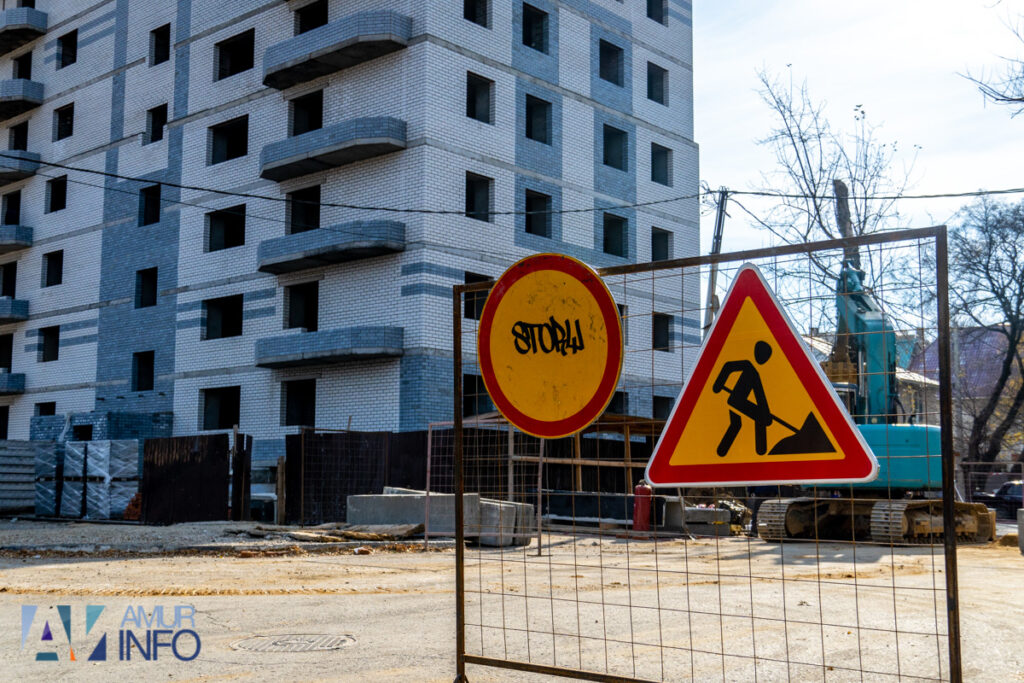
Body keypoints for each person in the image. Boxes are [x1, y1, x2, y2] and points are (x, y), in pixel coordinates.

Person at [712, 341, 773, 457]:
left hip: (738, 402)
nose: (764, 359)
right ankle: (761, 451)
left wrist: (766, 413)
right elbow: (728, 367)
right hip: (736, 400)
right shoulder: (749, 366)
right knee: (753, 419)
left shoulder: (754, 372)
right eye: (764, 356)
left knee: (737, 425)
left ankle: (722, 452)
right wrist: (718, 384)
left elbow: (760, 396)